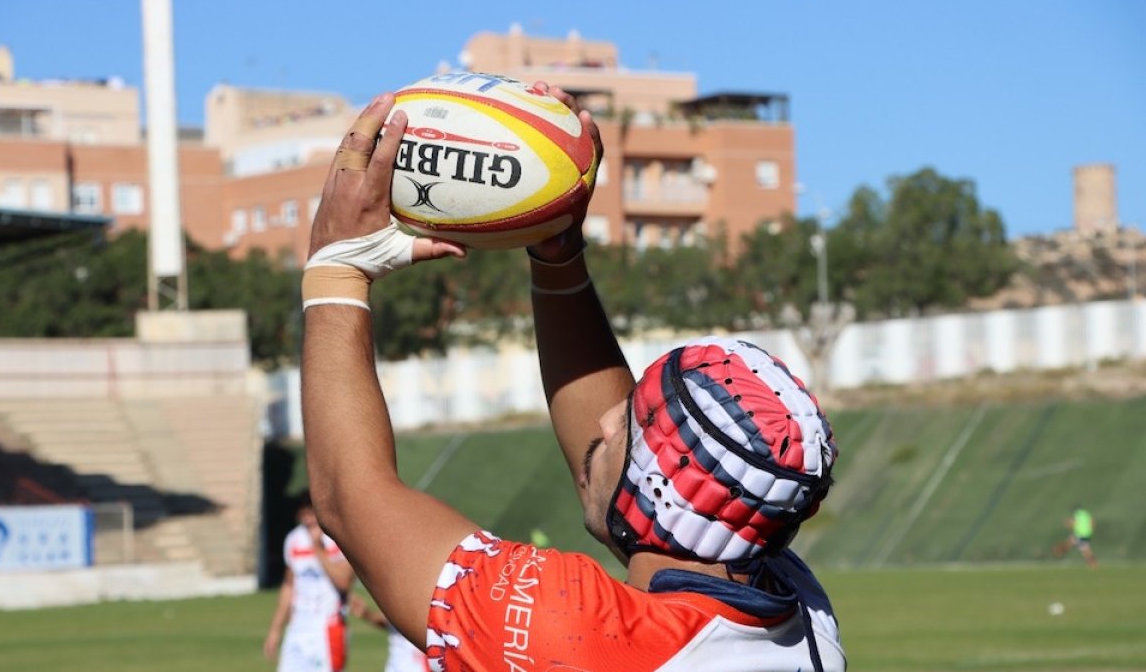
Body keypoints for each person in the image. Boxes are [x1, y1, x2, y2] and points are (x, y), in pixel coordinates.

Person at [300, 81, 846, 670]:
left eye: (635, 425)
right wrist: (557, 255)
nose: (610, 416)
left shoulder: (579, 634)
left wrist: (338, 267)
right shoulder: (797, 611)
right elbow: (650, 512)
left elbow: (349, 499)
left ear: (658, 498)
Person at [264, 492, 357, 672]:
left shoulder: (336, 538)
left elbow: (344, 581)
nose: (308, 519)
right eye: (303, 514)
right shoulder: (293, 539)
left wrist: (318, 548)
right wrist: (275, 629)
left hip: (327, 627)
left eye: (311, 513)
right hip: (298, 627)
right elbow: (289, 585)